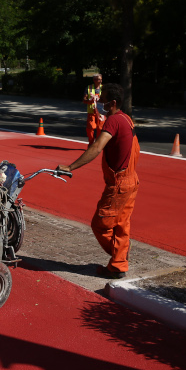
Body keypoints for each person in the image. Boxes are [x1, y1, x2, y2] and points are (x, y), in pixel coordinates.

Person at [58, 83, 140, 278]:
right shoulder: (127, 120)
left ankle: (120, 258)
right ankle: (117, 264)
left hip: (120, 183)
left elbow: (96, 148)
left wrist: (70, 167)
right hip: (131, 181)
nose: (98, 103)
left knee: (100, 223)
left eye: (102, 100)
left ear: (112, 103)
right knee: (121, 224)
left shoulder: (113, 122)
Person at [82, 73, 105, 144]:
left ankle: (97, 144)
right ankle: (91, 142)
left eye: (101, 79)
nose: (100, 81)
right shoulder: (89, 88)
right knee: (90, 128)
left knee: (100, 128)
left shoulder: (104, 88)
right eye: (98, 79)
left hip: (101, 112)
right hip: (91, 111)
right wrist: (89, 101)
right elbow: (84, 100)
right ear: (94, 80)